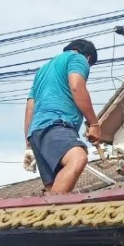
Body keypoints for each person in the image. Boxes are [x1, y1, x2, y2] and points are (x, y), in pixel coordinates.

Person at [25, 39, 103, 195]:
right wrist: (94, 124)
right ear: (88, 58)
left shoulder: (42, 71)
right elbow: (76, 87)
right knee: (78, 158)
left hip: (36, 133)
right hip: (56, 124)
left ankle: (48, 210)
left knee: (54, 188)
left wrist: (28, 145)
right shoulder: (77, 58)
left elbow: (30, 107)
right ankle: (51, 209)